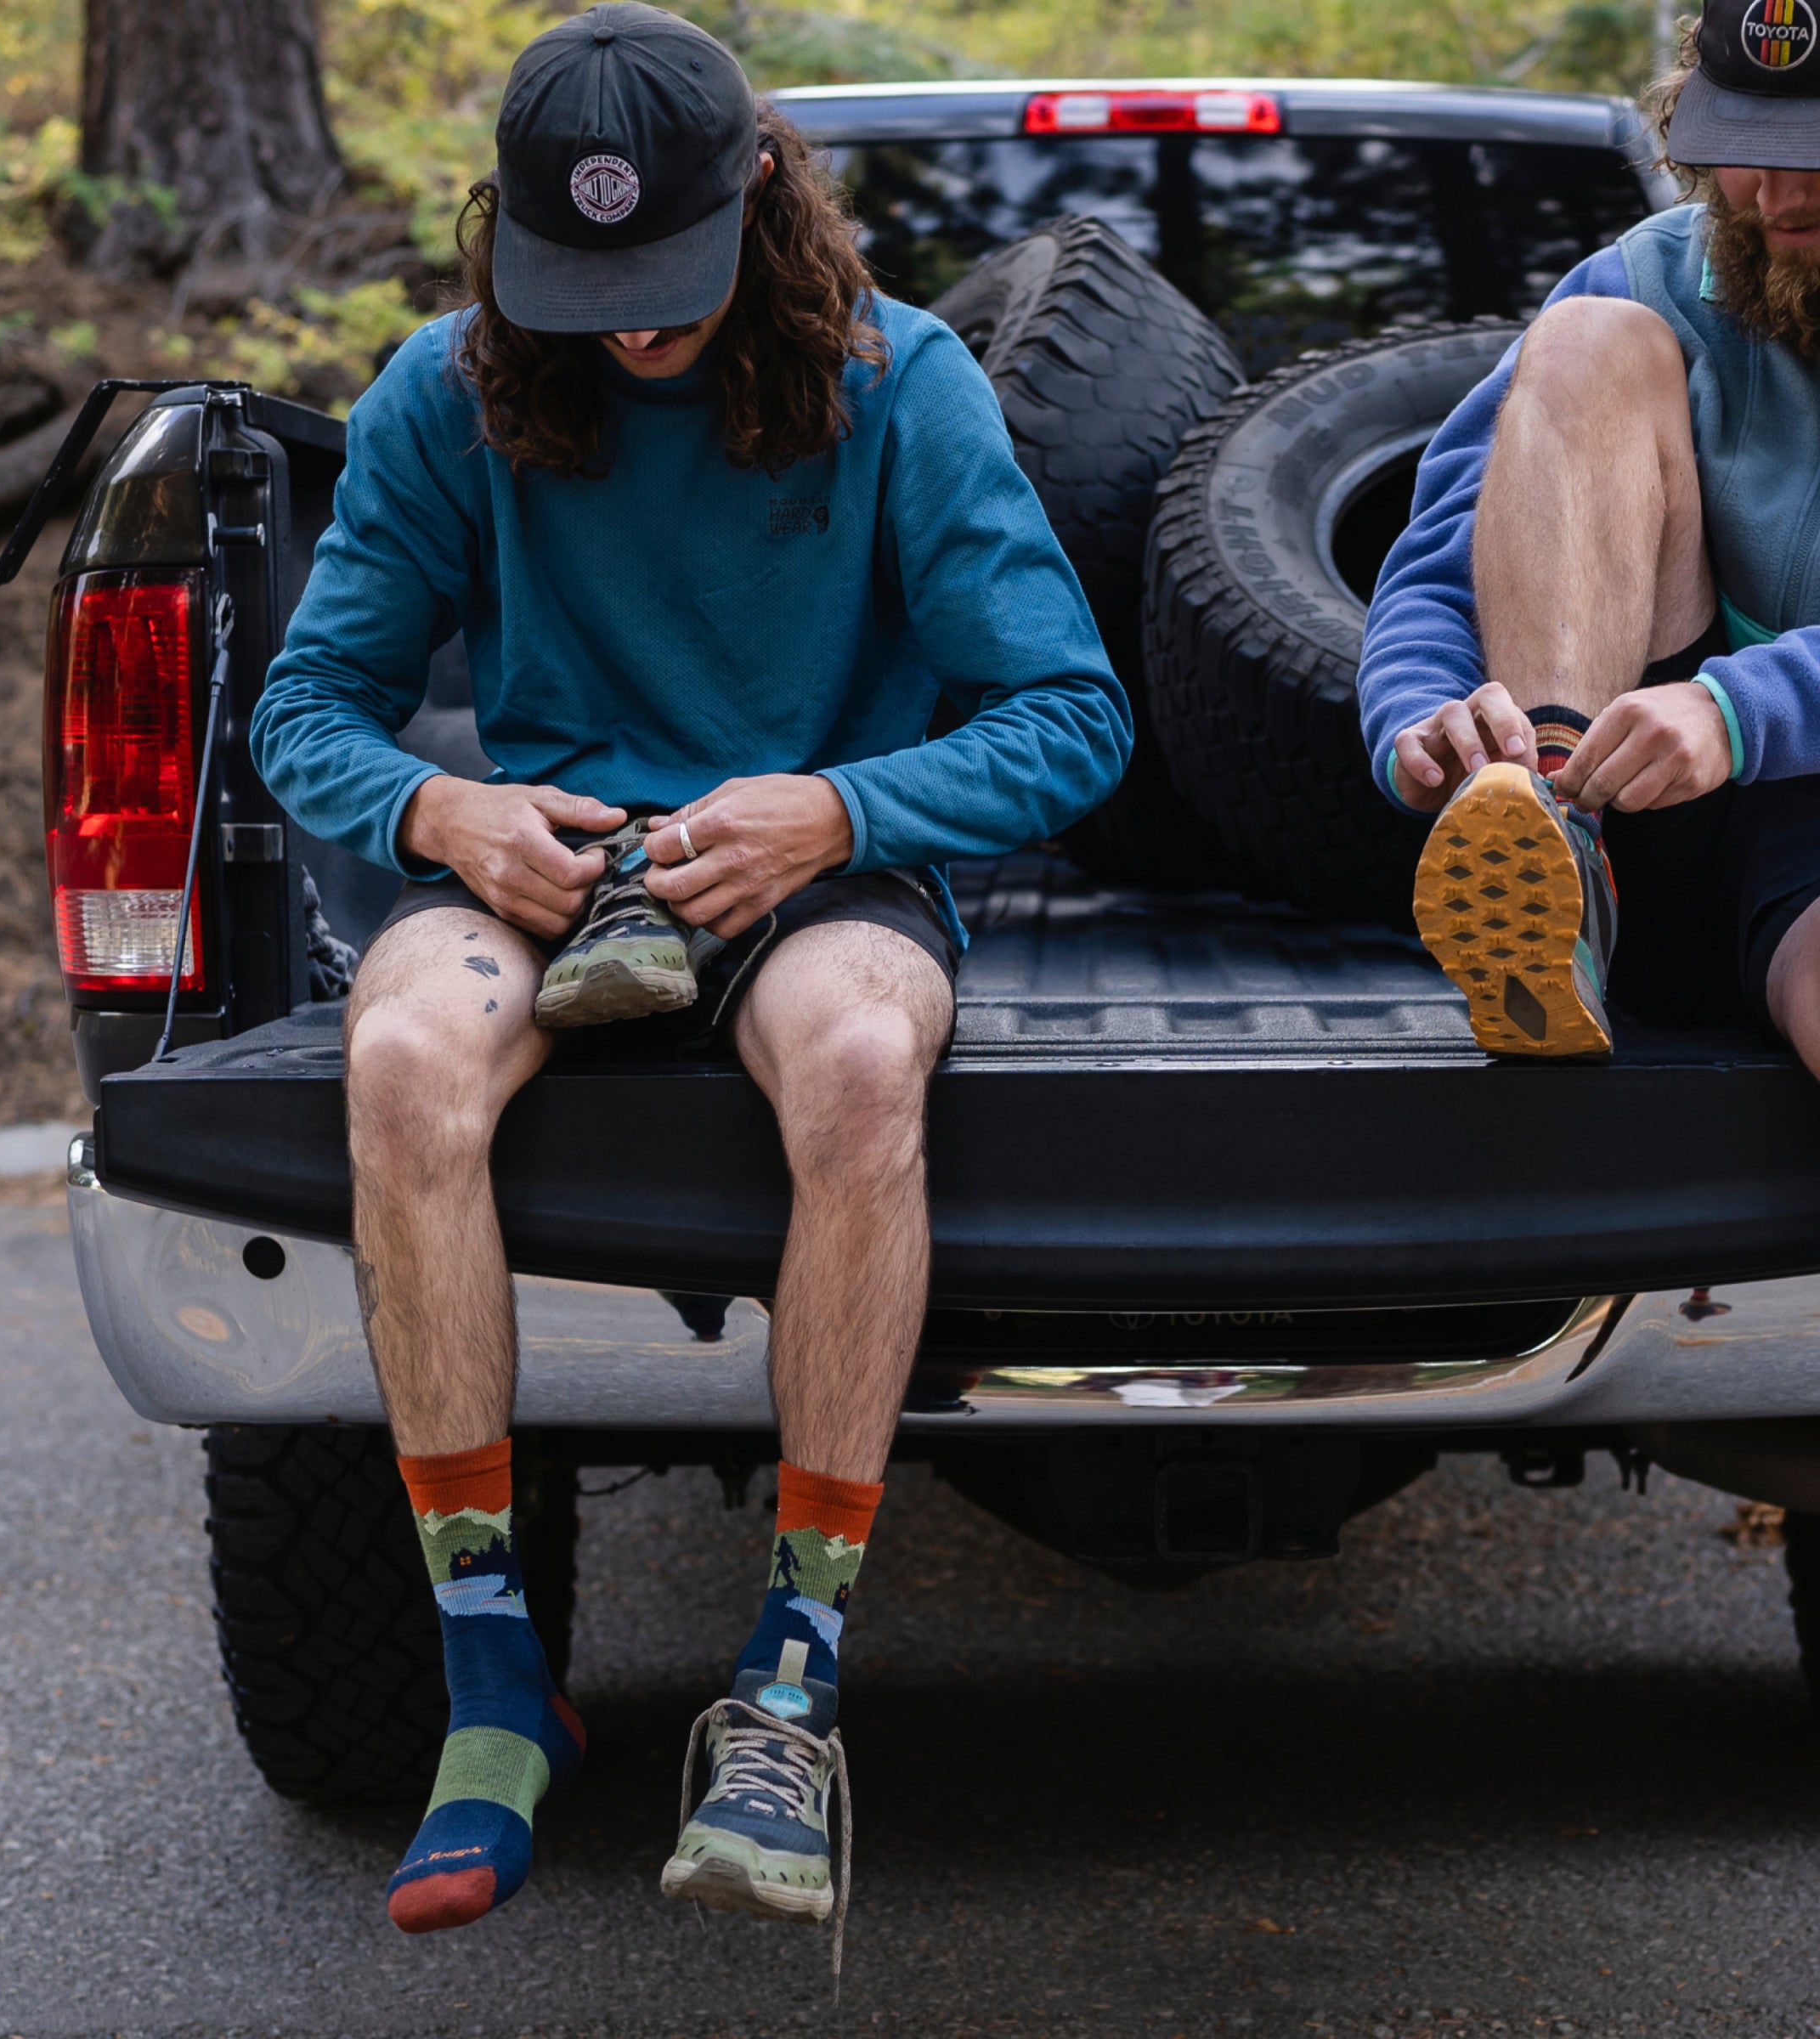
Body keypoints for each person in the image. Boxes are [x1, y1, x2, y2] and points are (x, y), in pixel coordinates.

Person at [247, 1, 1129, 1951]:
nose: (628, 327)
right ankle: (494, 1681)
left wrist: (833, 805)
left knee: (855, 1063)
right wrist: (442, 814)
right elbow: (302, 710)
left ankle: (791, 1666)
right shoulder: (445, 388)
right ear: (506, 242)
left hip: (814, 870)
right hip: (552, 878)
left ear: (760, 197)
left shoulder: (898, 381)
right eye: (583, 285)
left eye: (662, 278)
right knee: (398, 1053)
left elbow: (1069, 720)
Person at [1359, 0, 1820, 1070]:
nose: (1782, 196)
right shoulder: (1642, 273)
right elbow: (1437, 566)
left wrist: (1740, 710)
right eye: (1749, 153)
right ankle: (1551, 860)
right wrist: (1423, 717)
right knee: (1587, 343)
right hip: (1623, 790)